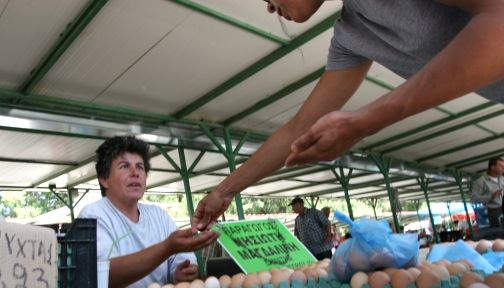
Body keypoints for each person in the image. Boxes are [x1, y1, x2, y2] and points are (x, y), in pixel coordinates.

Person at [192, 0, 504, 232]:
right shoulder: (353, 33)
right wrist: (224, 191)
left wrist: (369, 118)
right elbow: (299, 129)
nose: (269, 7)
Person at [79, 136, 218, 288]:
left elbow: (182, 263)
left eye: (140, 167)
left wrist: (182, 274)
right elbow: (105, 276)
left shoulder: (159, 216)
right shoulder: (93, 215)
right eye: (124, 166)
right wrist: (167, 248)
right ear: (104, 179)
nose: (135, 173)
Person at [471, 156, 504, 228]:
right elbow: (474, 199)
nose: (503, 168)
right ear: (492, 167)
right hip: (494, 212)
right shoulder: (480, 182)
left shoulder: (502, 178)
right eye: (501, 166)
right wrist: (491, 196)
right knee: (499, 234)